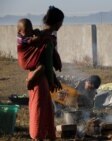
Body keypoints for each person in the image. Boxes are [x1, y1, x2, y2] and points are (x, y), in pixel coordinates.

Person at [24, 6, 64, 141]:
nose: (61, 25)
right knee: (39, 110)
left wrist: (54, 79)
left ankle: (44, 135)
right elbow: (46, 64)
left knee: (44, 109)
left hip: (38, 78)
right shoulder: (47, 39)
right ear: (58, 22)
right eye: (61, 22)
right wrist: (52, 81)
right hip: (39, 80)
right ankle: (38, 137)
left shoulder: (40, 36)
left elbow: (44, 63)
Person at [17, 18, 45, 90]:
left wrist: (33, 32)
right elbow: (37, 39)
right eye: (27, 31)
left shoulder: (23, 35)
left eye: (31, 29)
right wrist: (38, 33)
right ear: (19, 31)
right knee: (41, 67)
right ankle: (31, 79)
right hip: (24, 59)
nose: (29, 32)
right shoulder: (22, 39)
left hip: (26, 59)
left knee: (40, 66)